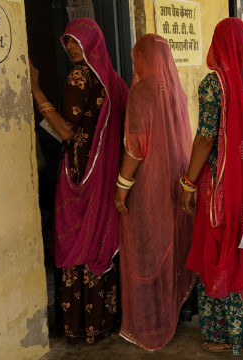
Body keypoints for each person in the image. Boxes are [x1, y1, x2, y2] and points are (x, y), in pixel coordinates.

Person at [181, 18, 243, 357]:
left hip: (222, 184)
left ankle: (227, 333)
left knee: (221, 248)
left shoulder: (214, 83)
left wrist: (187, 181)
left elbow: (207, 137)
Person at [29, 18, 128, 344]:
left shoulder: (79, 76)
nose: (71, 48)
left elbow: (67, 130)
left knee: (73, 243)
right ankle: (102, 322)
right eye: (68, 41)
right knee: (98, 243)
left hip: (79, 179)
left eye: (77, 41)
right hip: (105, 179)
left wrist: (35, 90)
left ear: (91, 44)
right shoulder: (115, 82)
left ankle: (77, 326)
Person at [112, 34, 195, 350]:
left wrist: (122, 186)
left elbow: (135, 148)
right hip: (174, 182)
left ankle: (151, 320)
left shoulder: (142, 91)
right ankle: (175, 308)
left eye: (137, 58)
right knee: (169, 243)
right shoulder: (174, 89)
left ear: (144, 59)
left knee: (147, 250)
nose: (136, 65)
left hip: (148, 186)